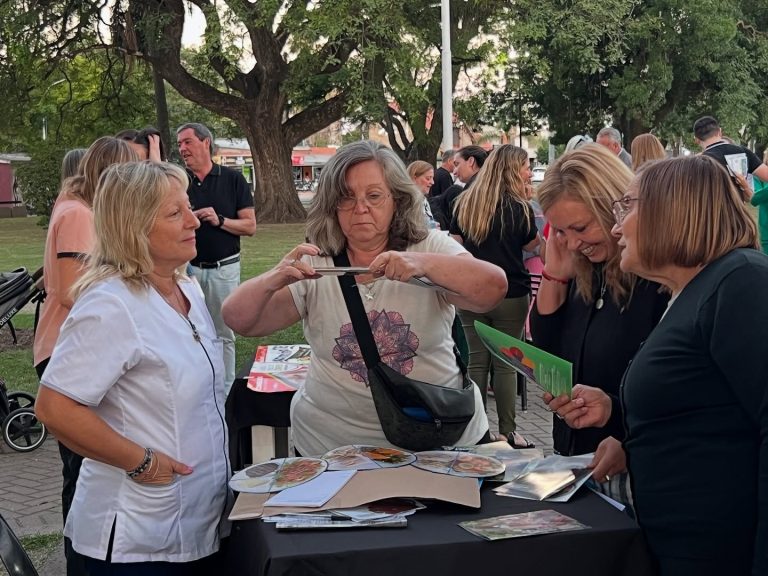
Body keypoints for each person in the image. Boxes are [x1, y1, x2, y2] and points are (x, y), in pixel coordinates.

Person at [551, 155, 767, 575]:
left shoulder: (740, 280)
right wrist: (630, 443)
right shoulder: (690, 292)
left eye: (626, 207)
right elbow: (703, 415)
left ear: (672, 208)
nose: (616, 227)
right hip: (678, 542)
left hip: (719, 550)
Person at [222, 140, 507, 456]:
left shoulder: (430, 246)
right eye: (346, 198)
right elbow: (239, 319)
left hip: (437, 440)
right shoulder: (317, 261)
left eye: (374, 196)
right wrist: (273, 277)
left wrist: (422, 264)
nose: (360, 208)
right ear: (332, 204)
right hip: (332, 448)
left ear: (397, 200)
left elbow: (492, 289)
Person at [35, 161, 231, 574]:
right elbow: (55, 408)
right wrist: (140, 462)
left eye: (189, 207)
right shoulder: (112, 303)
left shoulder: (187, 289)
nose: (194, 221)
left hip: (196, 526)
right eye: (175, 213)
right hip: (137, 541)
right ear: (134, 227)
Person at [530, 144, 668, 501]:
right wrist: (555, 276)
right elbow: (547, 350)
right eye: (559, 232)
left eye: (580, 227)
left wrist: (615, 415)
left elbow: (671, 388)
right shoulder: (583, 269)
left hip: (636, 466)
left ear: (618, 207)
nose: (573, 243)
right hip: (579, 457)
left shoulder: (656, 278)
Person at [33, 136, 137, 576]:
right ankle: (81, 553)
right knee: (81, 464)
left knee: (81, 464)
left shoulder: (78, 208)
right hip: (66, 348)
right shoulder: (78, 213)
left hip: (71, 344)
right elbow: (78, 289)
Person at [450, 144, 540, 448]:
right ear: (513, 169)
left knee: (476, 360)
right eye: (526, 166)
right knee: (506, 363)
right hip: (511, 291)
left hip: (471, 290)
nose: (529, 171)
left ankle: (477, 432)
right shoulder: (520, 207)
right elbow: (532, 245)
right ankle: (509, 432)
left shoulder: (465, 203)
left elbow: (455, 244)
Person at [177, 122, 257, 392]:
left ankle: (225, 393)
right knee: (189, 333)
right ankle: (199, 389)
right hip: (188, 270)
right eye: (179, 144)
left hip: (224, 269)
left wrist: (218, 219)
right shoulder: (179, 182)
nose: (182, 149)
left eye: (187, 142)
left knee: (224, 333)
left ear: (205, 142)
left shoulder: (232, 179)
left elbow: (250, 226)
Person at [694, 115, 768, 184]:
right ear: (720, 132)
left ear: (697, 140)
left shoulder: (697, 162)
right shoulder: (743, 152)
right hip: (742, 197)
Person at [432, 146, 488, 230]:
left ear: (471, 161)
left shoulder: (476, 192)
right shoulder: (484, 187)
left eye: (457, 164)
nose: (454, 172)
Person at [407, 160, 439, 228]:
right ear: (414, 178)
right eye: (428, 178)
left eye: (432, 178)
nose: (432, 182)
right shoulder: (407, 201)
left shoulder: (423, 199)